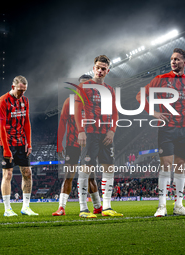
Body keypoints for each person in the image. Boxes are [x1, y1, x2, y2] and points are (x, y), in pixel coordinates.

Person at [136, 48, 185, 217]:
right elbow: (140, 96)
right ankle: (161, 206)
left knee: (180, 167)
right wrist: (153, 113)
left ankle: (179, 206)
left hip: (184, 128)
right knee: (166, 165)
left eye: (177, 59)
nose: (173, 61)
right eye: (172, 59)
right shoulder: (160, 79)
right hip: (166, 128)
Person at [75, 55, 123, 217]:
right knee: (86, 169)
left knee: (109, 168)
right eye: (98, 68)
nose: (100, 71)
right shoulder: (84, 86)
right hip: (89, 133)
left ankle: (107, 207)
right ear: (93, 68)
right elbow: (77, 110)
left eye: (104, 69)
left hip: (105, 134)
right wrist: (81, 130)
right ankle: (83, 208)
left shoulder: (109, 90)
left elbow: (115, 112)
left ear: (107, 71)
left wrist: (112, 130)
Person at [53, 75, 102, 218]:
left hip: (90, 145)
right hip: (72, 144)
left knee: (91, 177)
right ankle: (61, 207)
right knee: (68, 175)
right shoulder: (69, 102)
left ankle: (98, 207)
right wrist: (59, 145)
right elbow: (62, 123)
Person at [0, 75, 38, 216]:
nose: (22, 93)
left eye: (24, 90)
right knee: (7, 174)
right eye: (20, 90)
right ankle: (7, 209)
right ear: (13, 87)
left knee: (28, 173)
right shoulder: (2, 101)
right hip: (6, 143)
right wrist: (6, 149)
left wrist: (29, 143)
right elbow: (1, 127)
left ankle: (25, 207)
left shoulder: (25, 100)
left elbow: (26, 122)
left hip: (21, 143)